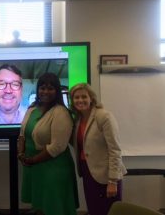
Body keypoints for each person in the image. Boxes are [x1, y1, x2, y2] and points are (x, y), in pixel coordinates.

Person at [17, 73, 79, 215]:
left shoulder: (61, 112)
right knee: (40, 206)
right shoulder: (32, 108)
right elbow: (22, 134)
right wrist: (20, 154)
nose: (45, 92)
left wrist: (32, 160)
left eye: (50, 88)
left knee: (54, 207)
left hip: (54, 168)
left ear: (57, 91)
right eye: (42, 88)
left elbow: (57, 147)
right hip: (35, 167)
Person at [69, 83, 127, 215]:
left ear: (91, 98)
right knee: (94, 209)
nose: (80, 100)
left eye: (84, 96)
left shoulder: (103, 116)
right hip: (87, 171)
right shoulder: (78, 119)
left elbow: (115, 150)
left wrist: (113, 181)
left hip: (106, 174)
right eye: (76, 97)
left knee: (109, 211)